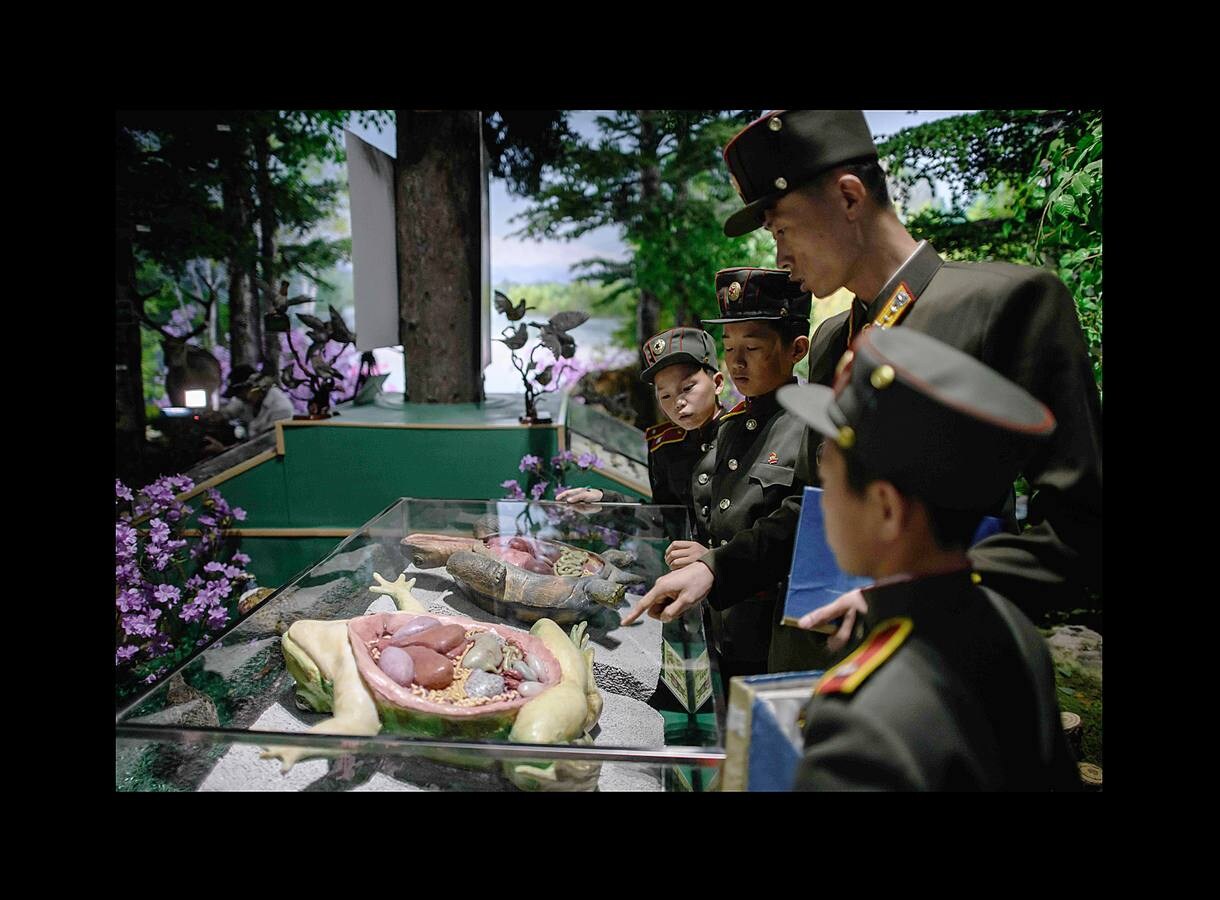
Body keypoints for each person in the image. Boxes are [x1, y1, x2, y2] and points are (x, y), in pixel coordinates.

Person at [625, 109, 1102, 643]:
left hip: (944, 654)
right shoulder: (832, 340)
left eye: (783, 229)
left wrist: (920, 594)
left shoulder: (1005, 306)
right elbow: (813, 501)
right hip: (814, 638)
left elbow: (1077, 530)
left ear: (849, 198)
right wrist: (718, 566)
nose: (780, 257)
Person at [777, 325, 1080, 790]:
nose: (822, 493)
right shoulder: (1012, 629)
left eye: (828, 468)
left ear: (885, 508)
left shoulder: (863, 724)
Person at [624, 268, 817, 679]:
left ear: (796, 348)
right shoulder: (731, 427)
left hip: (784, 634)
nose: (737, 362)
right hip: (724, 625)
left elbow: (802, 525)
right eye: (729, 348)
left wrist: (715, 562)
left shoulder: (812, 424)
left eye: (752, 347)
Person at [556, 327, 725, 511]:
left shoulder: (746, 437)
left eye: (687, 388)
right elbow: (663, 518)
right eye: (666, 396)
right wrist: (605, 501)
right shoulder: (666, 447)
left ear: (717, 383)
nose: (678, 402)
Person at [205, 364, 295, 453]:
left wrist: (224, 450)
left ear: (254, 387)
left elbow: (264, 446)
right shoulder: (246, 400)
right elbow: (228, 412)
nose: (238, 397)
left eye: (239, 393)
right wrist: (213, 416)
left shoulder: (281, 409)